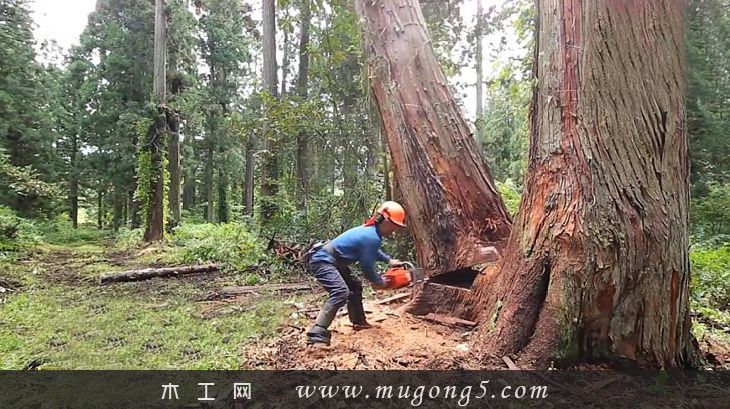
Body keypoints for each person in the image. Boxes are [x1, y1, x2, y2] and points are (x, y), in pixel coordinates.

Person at [303, 201, 408, 345]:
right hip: (323, 260)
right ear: (385, 220)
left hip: (332, 260)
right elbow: (366, 266)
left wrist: (389, 261)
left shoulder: (370, 232)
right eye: (394, 226)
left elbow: (371, 251)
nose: (394, 230)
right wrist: (379, 282)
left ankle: (358, 321)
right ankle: (317, 332)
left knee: (354, 286)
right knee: (340, 292)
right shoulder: (372, 236)